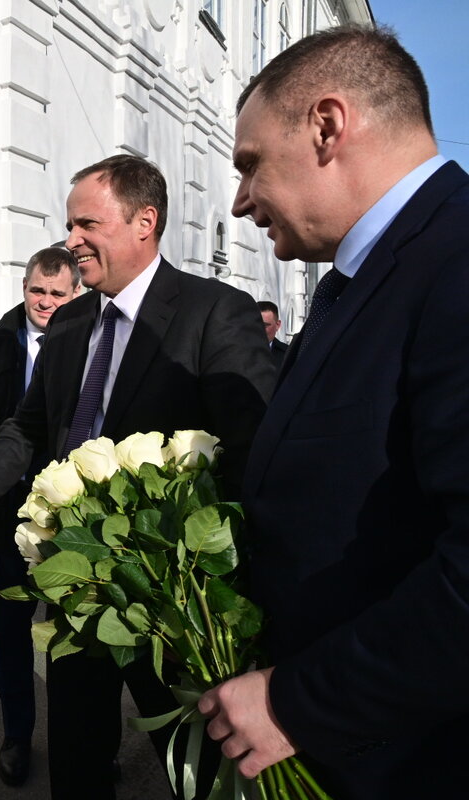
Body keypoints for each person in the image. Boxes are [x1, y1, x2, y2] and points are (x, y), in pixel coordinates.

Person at [0, 154, 275, 799]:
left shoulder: (213, 313)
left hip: (173, 599)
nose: (72, 241)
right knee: (77, 757)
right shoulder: (68, 323)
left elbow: (253, 453)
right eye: (70, 224)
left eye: (86, 222)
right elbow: (28, 429)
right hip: (76, 587)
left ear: (144, 221)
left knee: (196, 767)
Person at [197, 26, 469, 798]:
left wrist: (296, 702)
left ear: (326, 126)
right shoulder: (359, 275)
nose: (242, 200)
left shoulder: (456, 262)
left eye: (250, 164)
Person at [0, 246, 80, 787]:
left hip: (74, 520)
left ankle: (84, 740)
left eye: (57, 293)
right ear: (23, 287)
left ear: (75, 294)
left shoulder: (92, 342)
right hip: (6, 516)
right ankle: (16, 736)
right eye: (37, 291)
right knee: (10, 636)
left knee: (75, 639)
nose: (45, 302)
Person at [257, 300, 289, 366]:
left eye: (265, 325)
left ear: (277, 325)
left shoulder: (289, 355)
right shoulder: (236, 351)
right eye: (256, 324)